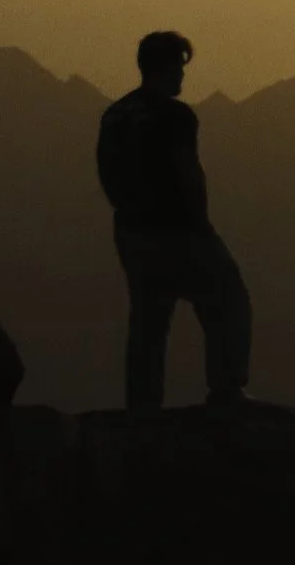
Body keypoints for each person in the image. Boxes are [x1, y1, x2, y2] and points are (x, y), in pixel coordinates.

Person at [95, 30, 252, 411]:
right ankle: (226, 390)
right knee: (228, 297)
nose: (182, 74)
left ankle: (143, 407)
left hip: (133, 230)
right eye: (179, 66)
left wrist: (128, 212)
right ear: (165, 67)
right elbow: (187, 171)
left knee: (149, 319)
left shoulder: (116, 115)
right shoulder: (174, 116)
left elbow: (106, 172)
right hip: (179, 228)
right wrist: (200, 224)